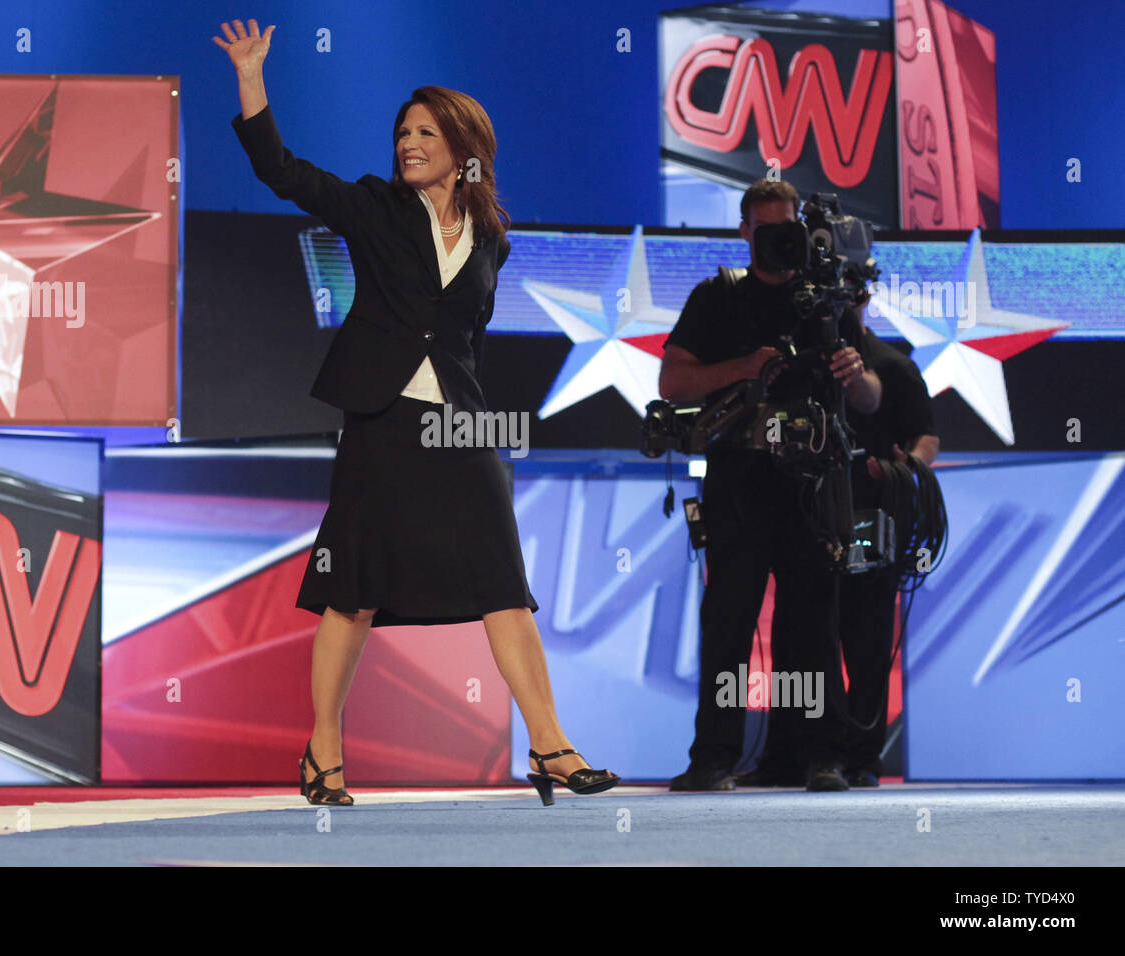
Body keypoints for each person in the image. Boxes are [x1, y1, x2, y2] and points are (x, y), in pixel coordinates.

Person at [213, 18, 618, 807]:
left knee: (505, 584)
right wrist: (252, 78)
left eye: (425, 131)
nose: (408, 142)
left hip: (460, 426)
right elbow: (283, 171)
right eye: (403, 131)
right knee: (353, 592)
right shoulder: (375, 208)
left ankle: (551, 746)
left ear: (464, 145)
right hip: (381, 419)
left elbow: (468, 338)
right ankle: (323, 753)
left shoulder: (493, 239)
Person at [658, 179, 882, 792]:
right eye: (767, 232)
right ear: (744, 232)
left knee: (812, 622)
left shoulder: (828, 302)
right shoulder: (718, 296)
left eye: (789, 229)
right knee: (729, 619)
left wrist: (856, 373)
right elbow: (672, 383)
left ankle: (818, 755)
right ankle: (714, 758)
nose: (781, 242)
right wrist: (746, 367)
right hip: (740, 476)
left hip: (812, 484)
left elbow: (868, 398)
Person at [741, 325, 939, 787]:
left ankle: (862, 760)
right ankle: (808, 754)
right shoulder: (795, 366)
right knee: (804, 634)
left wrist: (904, 469)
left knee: (868, 636)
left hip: (873, 517)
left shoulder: (895, 367)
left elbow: (926, 436)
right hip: (806, 521)